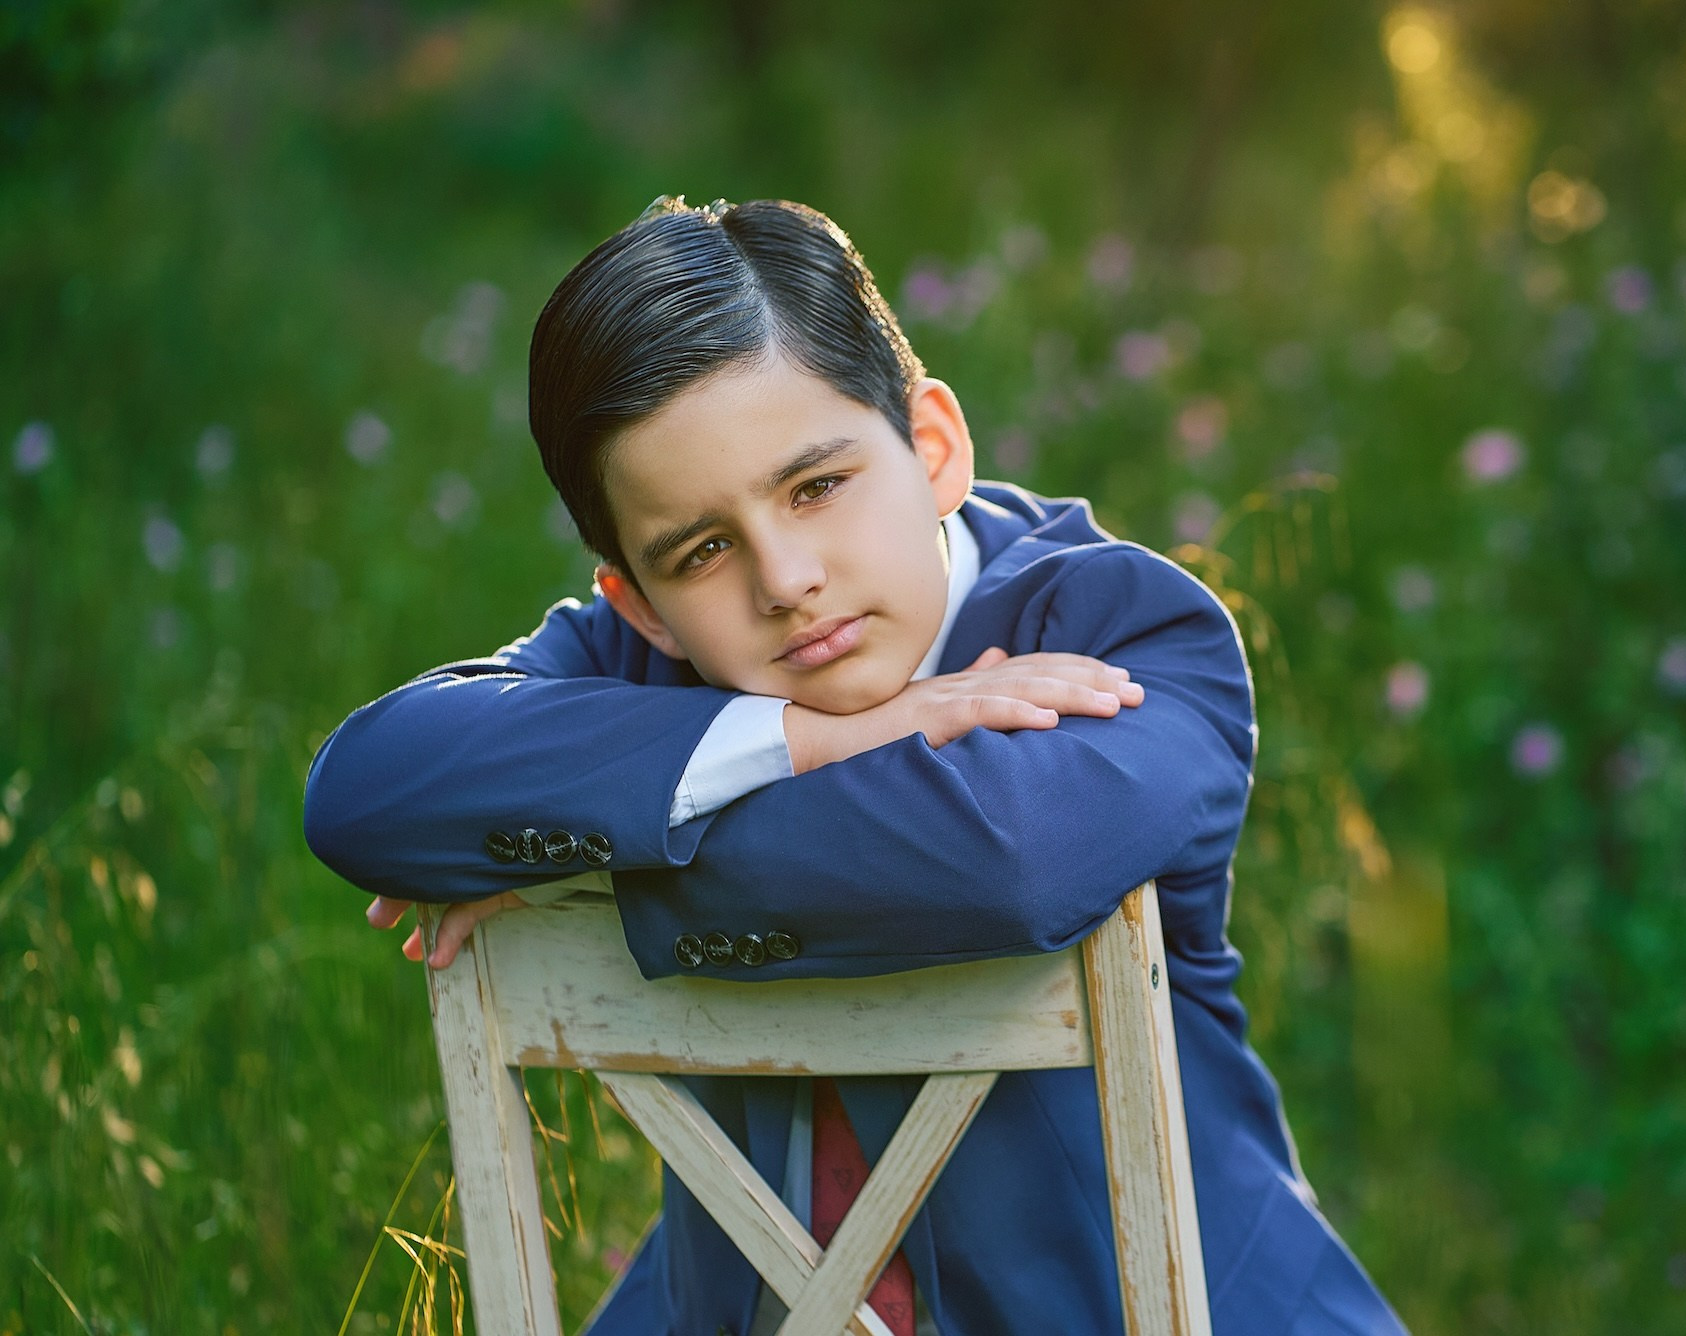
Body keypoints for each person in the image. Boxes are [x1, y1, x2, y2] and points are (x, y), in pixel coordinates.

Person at [303, 195, 1404, 1336]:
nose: (783, 579)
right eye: (704, 548)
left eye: (816, 486)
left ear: (932, 447)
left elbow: (1006, 862)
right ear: (641, 602)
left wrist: (593, 865)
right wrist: (809, 738)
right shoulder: (643, 662)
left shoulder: (1126, 634)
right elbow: (365, 791)